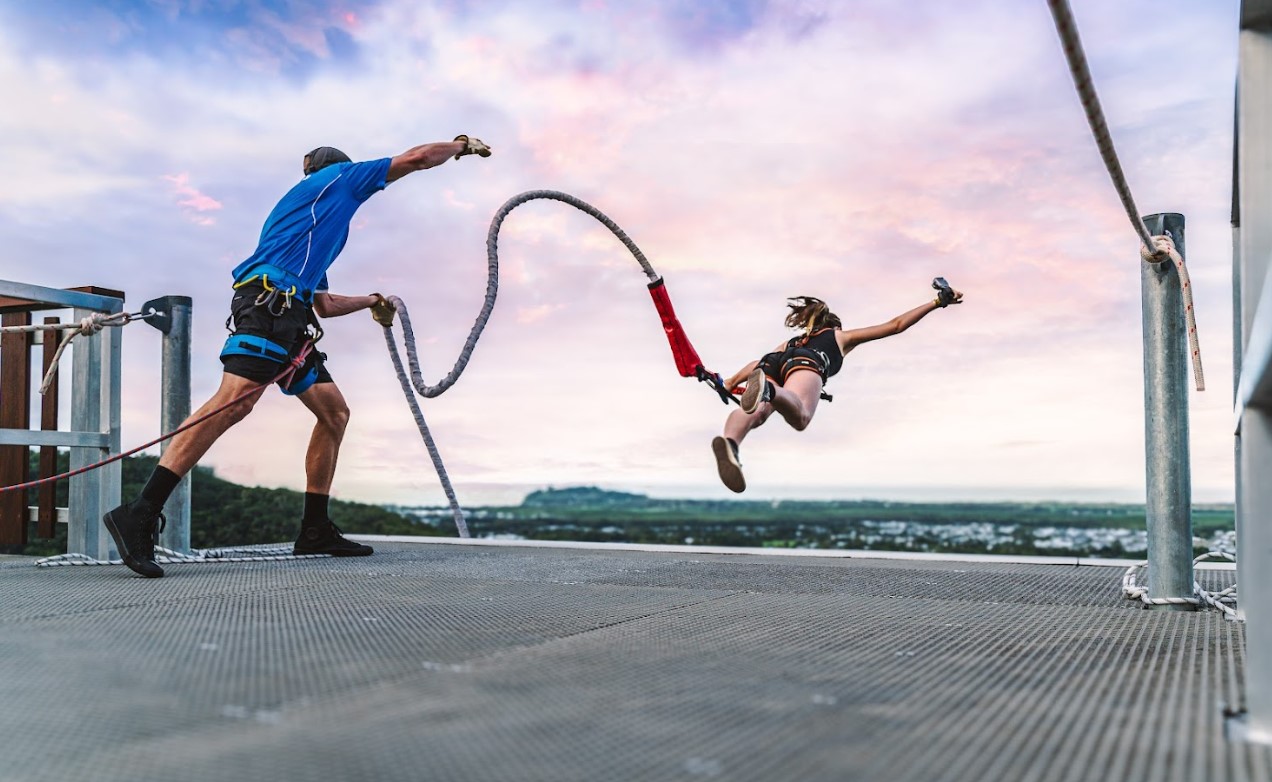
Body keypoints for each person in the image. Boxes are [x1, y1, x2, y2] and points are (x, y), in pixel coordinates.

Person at [102, 136, 493, 578]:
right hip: (270, 308)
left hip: (292, 316)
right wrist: (460, 145)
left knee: (334, 412)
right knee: (235, 401)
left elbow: (322, 303)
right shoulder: (339, 178)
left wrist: (372, 301)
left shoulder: (311, 226)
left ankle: (314, 528)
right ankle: (140, 510)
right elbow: (418, 159)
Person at [710, 279, 963, 493]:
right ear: (834, 325)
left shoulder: (792, 341)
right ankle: (771, 391)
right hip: (805, 365)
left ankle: (731, 443)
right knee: (800, 417)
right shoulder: (838, 336)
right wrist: (937, 302)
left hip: (773, 362)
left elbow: (760, 362)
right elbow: (895, 325)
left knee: (757, 413)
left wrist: (731, 382)